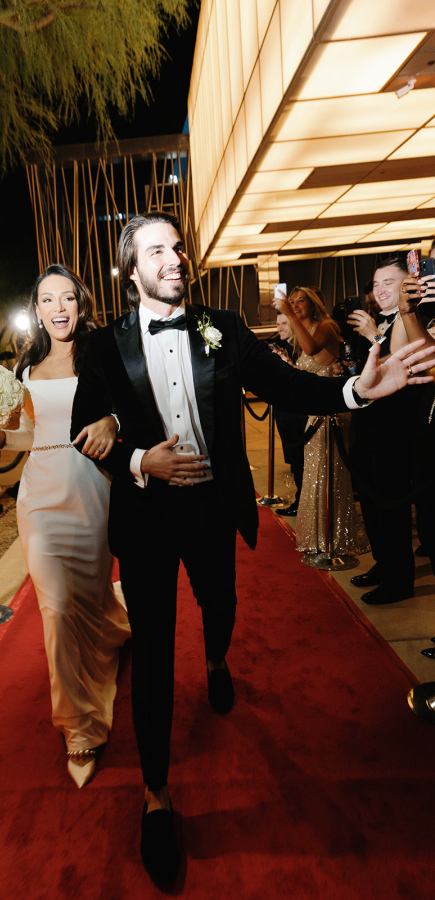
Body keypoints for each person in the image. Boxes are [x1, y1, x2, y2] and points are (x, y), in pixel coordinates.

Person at [69, 211, 435, 886]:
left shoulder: (225, 329)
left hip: (212, 509)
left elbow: (287, 385)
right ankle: (155, 797)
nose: (176, 259)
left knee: (222, 604)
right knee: (151, 650)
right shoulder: (104, 345)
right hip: (147, 519)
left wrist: (356, 390)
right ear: (132, 270)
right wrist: (143, 460)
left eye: (178, 248)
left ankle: (215, 658)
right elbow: (83, 431)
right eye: (158, 251)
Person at [0, 264, 130, 788]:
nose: (58, 308)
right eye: (47, 300)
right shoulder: (26, 366)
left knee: (87, 597)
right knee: (55, 609)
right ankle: (77, 725)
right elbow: (25, 436)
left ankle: (110, 630)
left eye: (67, 299)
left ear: (80, 305)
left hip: (91, 491)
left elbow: (132, 410)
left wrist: (113, 422)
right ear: (36, 310)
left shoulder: (102, 353)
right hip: (38, 498)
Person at [347, 256, 435, 603]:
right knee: (371, 503)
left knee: (392, 509)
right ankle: (384, 565)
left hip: (396, 432)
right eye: (376, 283)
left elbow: (395, 367)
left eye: (389, 283)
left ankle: (398, 580)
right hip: (372, 427)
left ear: (407, 285)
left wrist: (373, 336)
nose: (380, 289)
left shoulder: (410, 318)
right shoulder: (385, 320)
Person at [274, 286, 370, 556]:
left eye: (299, 301)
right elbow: (308, 370)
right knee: (314, 475)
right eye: (290, 301)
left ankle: (337, 538)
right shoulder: (302, 331)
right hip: (315, 414)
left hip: (332, 412)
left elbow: (311, 348)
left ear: (313, 302)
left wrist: (289, 315)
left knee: (330, 476)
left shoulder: (325, 326)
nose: (294, 305)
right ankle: (318, 536)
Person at [268, 313, 307, 515]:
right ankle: (300, 499)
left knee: (301, 461)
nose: (280, 328)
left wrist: (286, 362)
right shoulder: (276, 345)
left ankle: (302, 502)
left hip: (299, 414)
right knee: (294, 461)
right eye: (278, 324)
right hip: (283, 411)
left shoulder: (303, 346)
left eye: (284, 323)